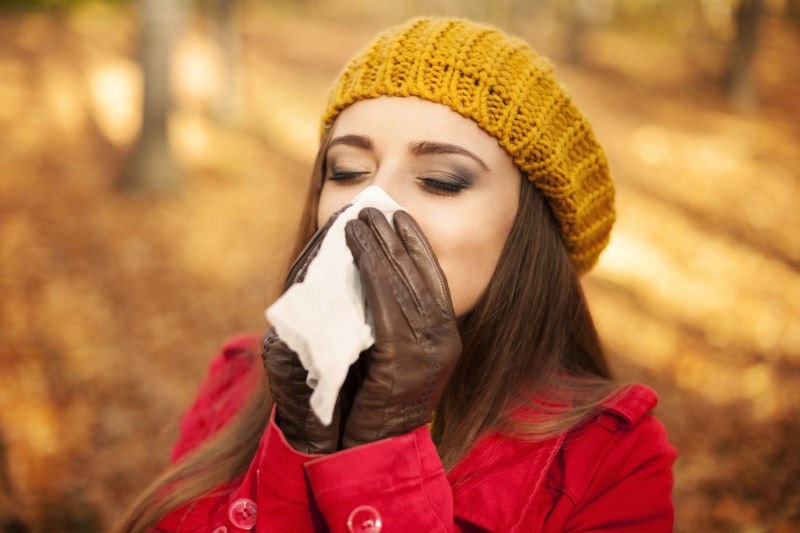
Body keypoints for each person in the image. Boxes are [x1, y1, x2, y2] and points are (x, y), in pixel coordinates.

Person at [118, 16, 676, 532]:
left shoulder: (611, 458)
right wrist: (299, 441)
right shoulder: (235, 385)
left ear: (530, 235)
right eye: (348, 170)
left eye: (441, 180)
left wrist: (384, 452)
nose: (367, 207)